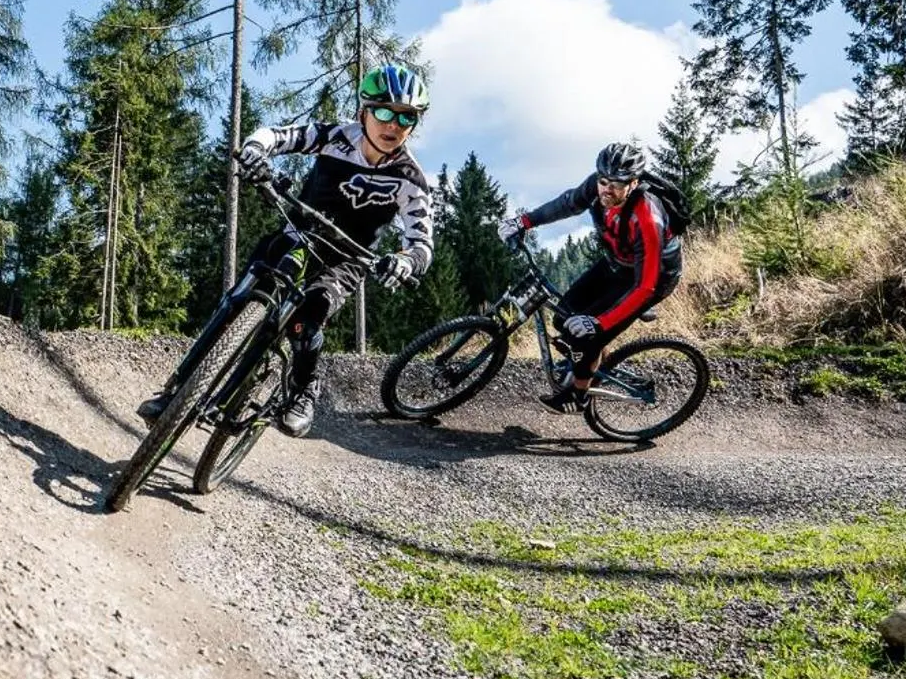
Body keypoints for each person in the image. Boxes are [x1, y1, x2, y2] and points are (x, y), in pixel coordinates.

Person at [136, 63, 435, 438]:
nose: (393, 125)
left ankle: (303, 389)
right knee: (237, 301)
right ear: (364, 112)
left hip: (345, 260)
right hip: (298, 233)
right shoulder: (334, 136)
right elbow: (276, 135)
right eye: (384, 112)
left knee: (306, 322)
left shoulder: (411, 180)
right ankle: (175, 391)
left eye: (405, 117)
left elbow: (422, 242)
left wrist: (405, 262)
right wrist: (255, 151)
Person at [497, 141, 682, 414]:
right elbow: (567, 204)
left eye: (617, 184)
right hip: (617, 262)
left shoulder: (647, 217)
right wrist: (524, 221)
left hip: (652, 277)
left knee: (586, 335)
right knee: (563, 317)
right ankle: (595, 362)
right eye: (604, 181)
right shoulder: (596, 186)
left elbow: (645, 287)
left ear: (633, 183)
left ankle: (579, 395)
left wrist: (598, 323)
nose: (607, 189)